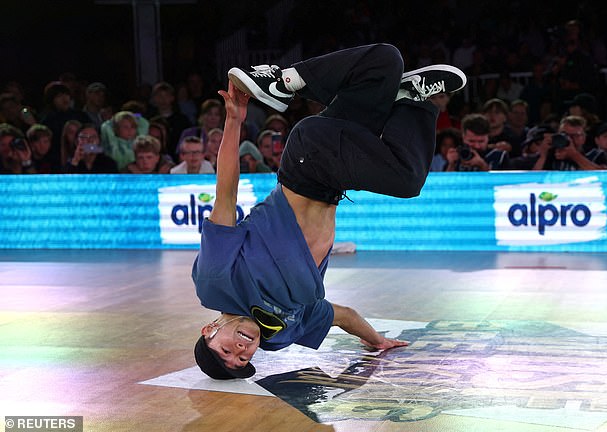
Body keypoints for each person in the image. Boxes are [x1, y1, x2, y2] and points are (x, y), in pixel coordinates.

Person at [191, 44, 466, 379]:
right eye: (242, 361)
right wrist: (376, 340)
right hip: (332, 174)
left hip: (308, 163)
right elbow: (341, 316)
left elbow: (225, 191)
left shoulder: (214, 282)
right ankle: (408, 95)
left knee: (407, 179)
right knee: (383, 63)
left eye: (225, 351)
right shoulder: (281, 335)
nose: (240, 351)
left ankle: (281, 83)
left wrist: (234, 120)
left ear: (210, 330)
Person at [445, 113, 510, 171]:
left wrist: (482, 165)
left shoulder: (499, 156)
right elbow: (445, 183)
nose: (477, 146)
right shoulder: (457, 156)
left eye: (481, 141)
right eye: (471, 141)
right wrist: (451, 165)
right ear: (463, 137)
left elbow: (503, 182)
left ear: (488, 137)